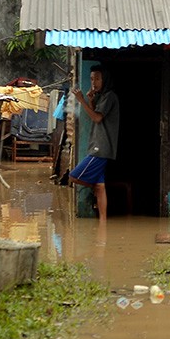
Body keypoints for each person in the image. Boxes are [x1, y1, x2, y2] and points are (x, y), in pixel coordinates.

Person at [69, 64, 120, 222]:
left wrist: (81, 100)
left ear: (105, 79)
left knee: (73, 177)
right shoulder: (102, 97)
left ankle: (94, 189)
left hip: (100, 148)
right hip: (99, 146)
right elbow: (97, 114)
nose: (94, 82)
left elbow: (97, 118)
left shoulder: (110, 96)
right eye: (92, 79)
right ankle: (103, 223)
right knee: (100, 187)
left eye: (97, 79)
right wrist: (90, 100)